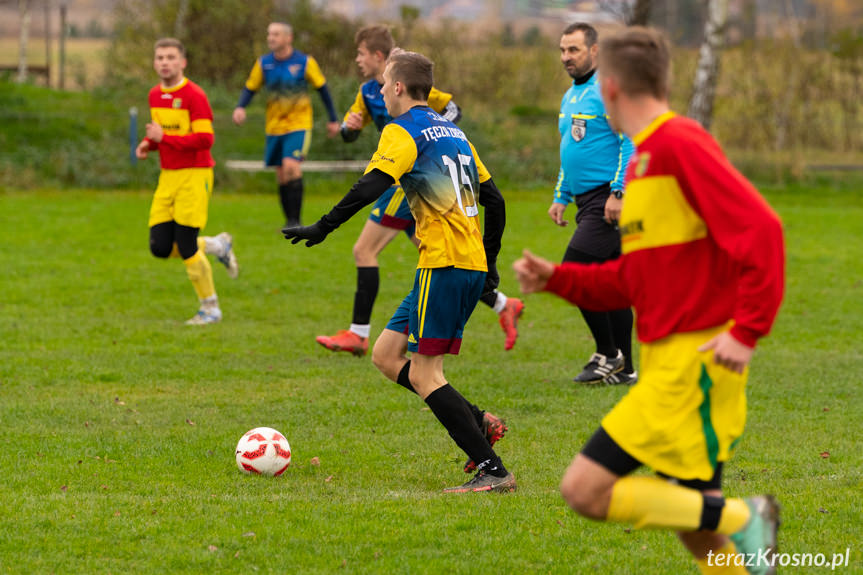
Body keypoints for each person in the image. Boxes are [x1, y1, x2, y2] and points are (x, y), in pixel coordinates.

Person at [514, 26, 785, 575]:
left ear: (609, 87)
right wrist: (559, 279)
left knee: (584, 490)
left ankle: (745, 514)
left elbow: (764, 231)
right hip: (667, 364)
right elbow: (636, 281)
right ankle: (734, 521)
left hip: (694, 369)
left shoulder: (679, 144)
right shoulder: (642, 163)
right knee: (697, 534)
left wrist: (746, 330)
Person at [284, 50, 515, 492]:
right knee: (387, 356)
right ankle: (478, 422)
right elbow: (496, 201)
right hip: (462, 264)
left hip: (443, 264)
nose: (381, 93)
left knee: (428, 375)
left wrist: (324, 226)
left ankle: (492, 469)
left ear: (395, 87)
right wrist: (491, 262)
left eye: (385, 84)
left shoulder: (403, 129)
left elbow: (371, 183)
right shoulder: (455, 132)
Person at [315, 25, 524, 357]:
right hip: (406, 179)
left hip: (406, 178)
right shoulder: (367, 92)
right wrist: (348, 129)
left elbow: (450, 112)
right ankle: (502, 304)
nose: (357, 60)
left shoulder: (410, 88)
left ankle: (358, 333)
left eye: (361, 54)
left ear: (379, 58)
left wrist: (434, 137)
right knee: (440, 249)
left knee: (364, 250)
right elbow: (349, 132)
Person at [551, 22, 636, 385]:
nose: (566, 57)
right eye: (563, 50)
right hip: (586, 200)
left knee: (573, 274)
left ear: (595, 51)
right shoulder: (571, 95)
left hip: (608, 200)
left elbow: (630, 141)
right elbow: (571, 150)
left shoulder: (608, 90)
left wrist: (619, 192)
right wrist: (561, 195)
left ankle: (608, 353)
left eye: (574, 50)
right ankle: (627, 369)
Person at [136, 38, 239, 325]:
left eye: (170, 57)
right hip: (168, 177)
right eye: (159, 58)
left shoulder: (195, 95)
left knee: (186, 245)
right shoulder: (155, 95)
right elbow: (162, 133)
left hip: (195, 175)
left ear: (183, 62)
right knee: (159, 247)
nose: (164, 62)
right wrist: (148, 144)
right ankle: (218, 246)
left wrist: (162, 138)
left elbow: (205, 139)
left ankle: (210, 308)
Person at [232, 22, 340, 227]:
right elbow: (250, 88)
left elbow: (323, 89)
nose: (270, 38)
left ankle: (296, 221)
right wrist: (240, 107)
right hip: (274, 127)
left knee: (291, 166)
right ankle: (289, 221)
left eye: (275, 34)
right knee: (281, 174)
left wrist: (333, 119)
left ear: (288, 38)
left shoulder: (305, 62)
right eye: (269, 34)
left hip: (299, 124)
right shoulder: (263, 63)